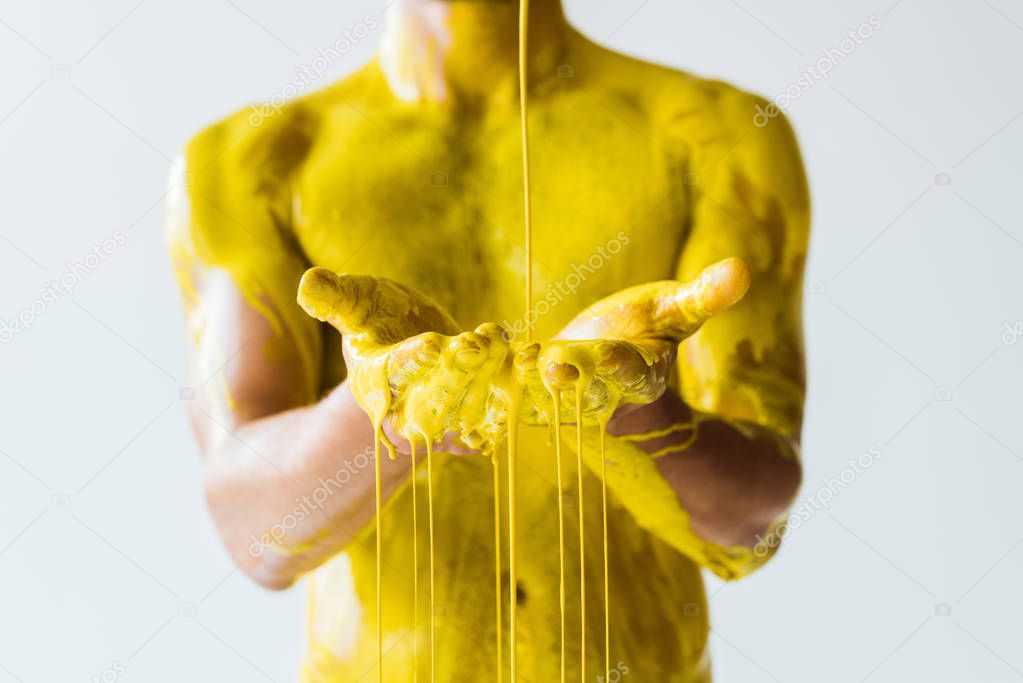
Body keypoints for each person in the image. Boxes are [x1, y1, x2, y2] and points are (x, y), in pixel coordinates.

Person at [167, 0, 808, 680]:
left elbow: (752, 524)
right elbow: (255, 533)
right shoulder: (248, 164)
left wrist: (630, 410)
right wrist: (382, 413)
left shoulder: (717, 136)